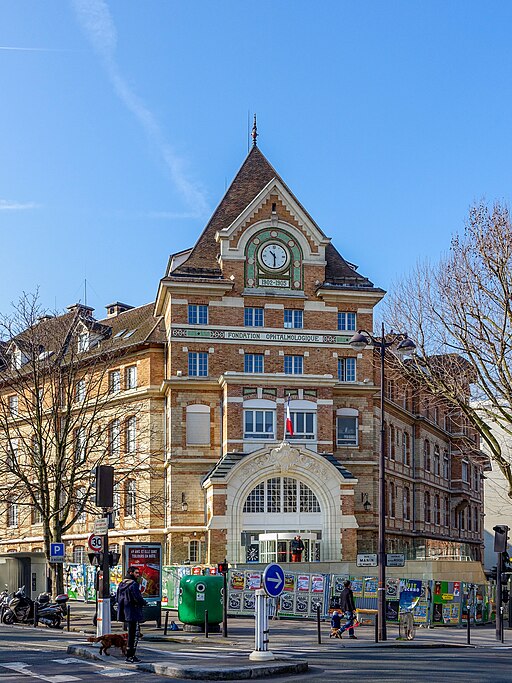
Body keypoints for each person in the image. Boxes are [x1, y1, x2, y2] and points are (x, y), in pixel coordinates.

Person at [117, 566, 146, 662]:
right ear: (131, 573)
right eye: (136, 573)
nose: (138, 575)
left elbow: (118, 598)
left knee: (130, 634)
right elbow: (137, 597)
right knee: (134, 634)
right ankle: (131, 656)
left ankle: (129, 655)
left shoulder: (122, 583)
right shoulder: (133, 584)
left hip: (125, 612)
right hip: (133, 611)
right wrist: (143, 602)